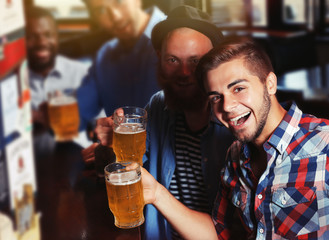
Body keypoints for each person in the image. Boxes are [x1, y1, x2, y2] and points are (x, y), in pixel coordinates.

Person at [139, 36, 329, 239]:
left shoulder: (324, 143)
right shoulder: (235, 154)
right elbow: (219, 233)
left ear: (270, 84)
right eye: (216, 97)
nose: (226, 107)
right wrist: (156, 194)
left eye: (238, 88)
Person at [95, 5, 234, 239]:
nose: (184, 72)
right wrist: (108, 146)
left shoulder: (234, 117)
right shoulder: (159, 106)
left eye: (196, 61)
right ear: (159, 59)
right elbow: (127, 167)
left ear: (214, 62)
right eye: (172, 59)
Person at [77, 0, 166, 131]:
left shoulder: (180, 38)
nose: (116, 17)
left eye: (118, 2)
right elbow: (79, 115)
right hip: (120, 149)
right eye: (101, 11)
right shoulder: (105, 56)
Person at [25, 6, 88, 133]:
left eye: (48, 35)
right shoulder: (11, 84)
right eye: (32, 36)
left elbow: (102, 124)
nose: (42, 42)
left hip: (79, 150)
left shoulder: (82, 74)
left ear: (57, 38)